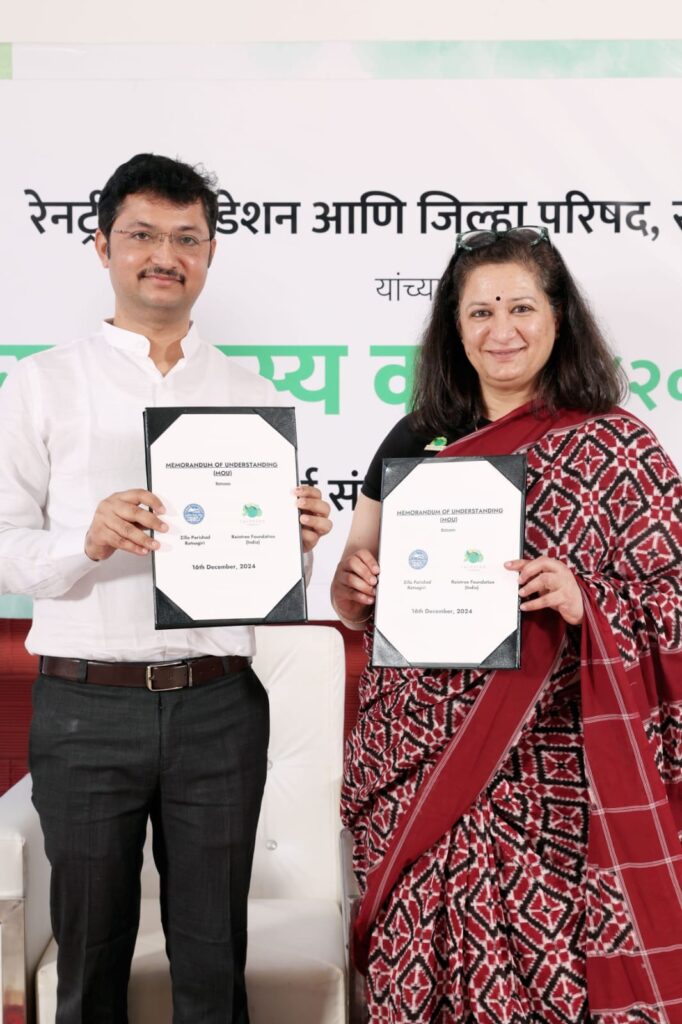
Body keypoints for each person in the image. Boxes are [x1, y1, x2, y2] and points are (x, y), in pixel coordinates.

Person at [0, 153, 332, 1024]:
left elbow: (265, 586)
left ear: (210, 254)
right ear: (102, 244)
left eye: (187, 238)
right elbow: (5, 549)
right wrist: (87, 539)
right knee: (90, 961)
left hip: (219, 705)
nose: (165, 255)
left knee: (215, 965)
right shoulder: (42, 383)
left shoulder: (253, 394)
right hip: (85, 709)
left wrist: (296, 546)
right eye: (143, 234)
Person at [332, 227, 682, 1023]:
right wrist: (352, 589)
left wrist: (586, 599)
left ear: (558, 318)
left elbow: (673, 599)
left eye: (521, 307)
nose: (502, 330)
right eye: (480, 311)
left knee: (552, 984)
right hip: (415, 755)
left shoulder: (616, 446)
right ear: (454, 328)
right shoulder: (413, 438)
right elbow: (356, 581)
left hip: (554, 773)